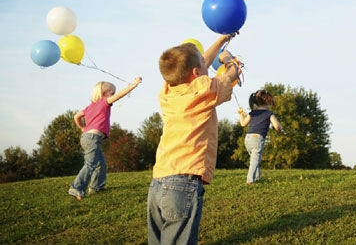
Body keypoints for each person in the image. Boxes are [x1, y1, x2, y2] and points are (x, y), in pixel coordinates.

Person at [147, 35, 239, 245]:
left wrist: (222, 39)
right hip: (183, 183)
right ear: (196, 73)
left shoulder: (167, 91)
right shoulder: (204, 90)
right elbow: (229, 77)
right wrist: (231, 62)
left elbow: (200, 64)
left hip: (158, 182)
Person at [68, 78, 142, 200]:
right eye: (111, 93)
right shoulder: (104, 102)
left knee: (100, 164)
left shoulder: (90, 107)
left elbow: (76, 116)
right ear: (104, 93)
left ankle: (97, 187)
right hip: (92, 138)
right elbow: (119, 95)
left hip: (87, 137)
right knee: (90, 164)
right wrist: (133, 85)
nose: (112, 96)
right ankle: (76, 188)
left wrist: (82, 128)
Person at [238, 89, 282, 185]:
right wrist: (279, 131)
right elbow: (277, 126)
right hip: (257, 139)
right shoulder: (269, 114)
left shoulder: (252, 113)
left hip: (248, 139)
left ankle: (257, 176)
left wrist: (241, 114)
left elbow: (242, 124)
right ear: (268, 101)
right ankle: (250, 180)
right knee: (255, 160)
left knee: (254, 159)